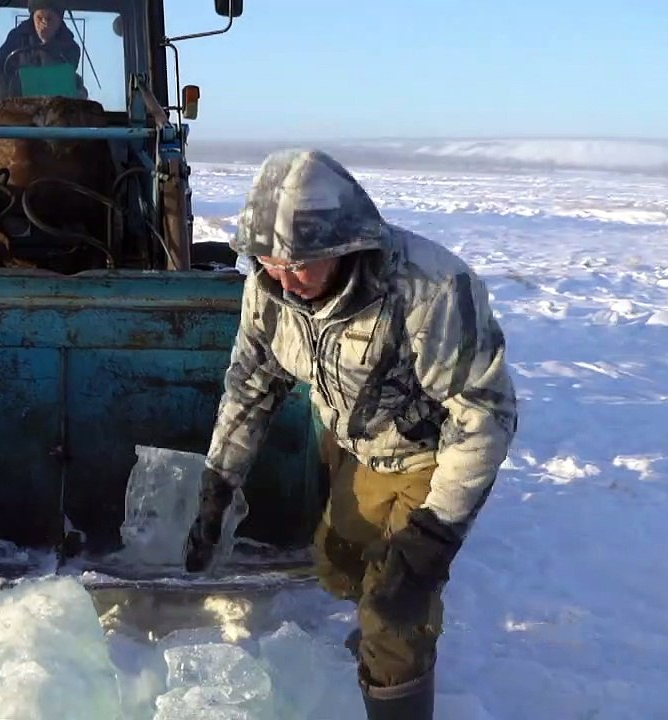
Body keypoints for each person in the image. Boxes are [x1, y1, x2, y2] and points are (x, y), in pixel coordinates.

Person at [184, 149, 517, 718]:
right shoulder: (269, 287)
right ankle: (375, 626)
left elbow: (484, 415)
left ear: (344, 246)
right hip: (354, 444)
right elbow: (251, 386)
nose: (285, 279)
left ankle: (395, 675)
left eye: (300, 264)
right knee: (338, 566)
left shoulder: (430, 289)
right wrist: (219, 482)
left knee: (396, 608)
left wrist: (433, 537)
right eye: (269, 261)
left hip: (429, 455)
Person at [0, 0, 85, 99]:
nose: (44, 23)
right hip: (21, 106)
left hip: (57, 107)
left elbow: (69, 83)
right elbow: (1, 78)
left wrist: (79, 91)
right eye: (39, 18)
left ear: (59, 20)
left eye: (49, 19)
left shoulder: (70, 48)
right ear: (33, 17)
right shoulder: (15, 41)